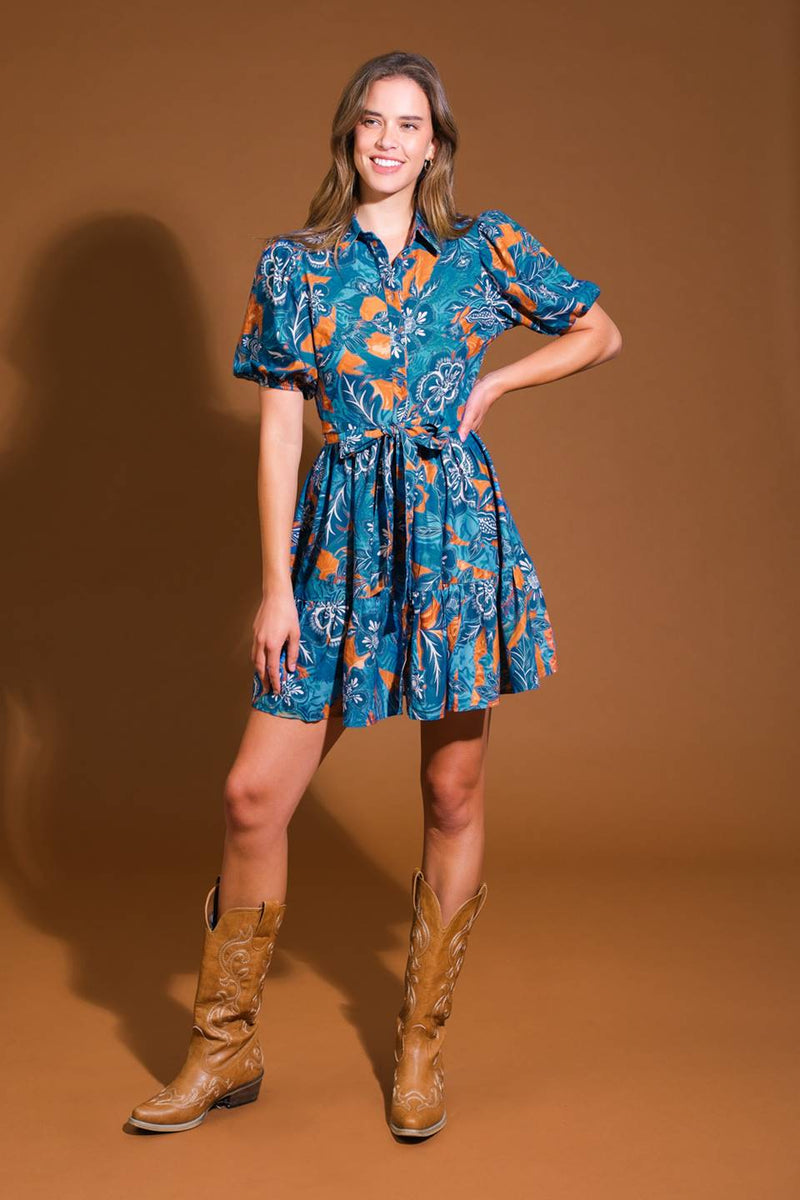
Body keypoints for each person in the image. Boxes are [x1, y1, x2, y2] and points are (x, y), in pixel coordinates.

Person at [128, 49, 622, 1140]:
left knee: (451, 794)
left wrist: (498, 380)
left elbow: (600, 329)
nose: (389, 141)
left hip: (453, 548)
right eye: (371, 121)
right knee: (253, 795)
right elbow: (276, 437)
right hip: (337, 551)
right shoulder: (294, 267)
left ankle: (419, 1046)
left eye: (409, 124)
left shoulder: (483, 250)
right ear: (347, 136)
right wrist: (274, 589)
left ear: (435, 145)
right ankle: (224, 1045)